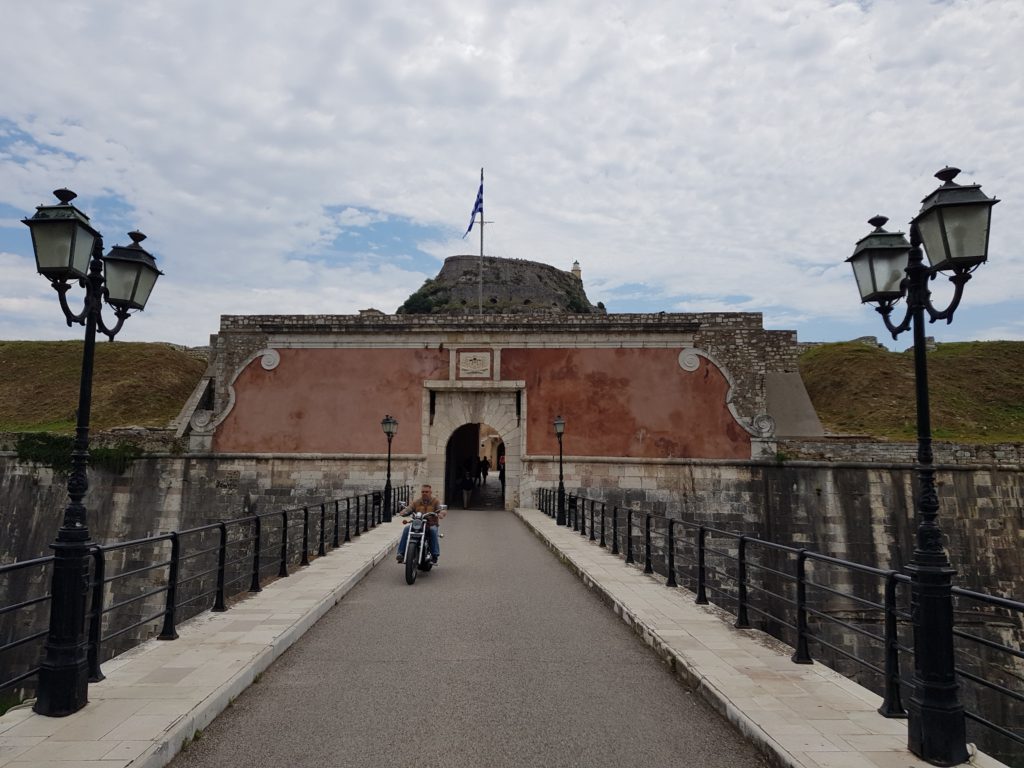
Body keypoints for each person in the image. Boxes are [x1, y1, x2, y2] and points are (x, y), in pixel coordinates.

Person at [396, 484, 445, 565]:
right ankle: (400, 553)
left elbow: (441, 509)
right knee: (406, 529)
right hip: (418, 524)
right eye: (423, 492)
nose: (424, 493)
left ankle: (434, 555)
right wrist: (404, 512)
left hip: (431, 524)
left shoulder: (435, 501)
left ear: (430, 492)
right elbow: (409, 508)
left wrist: (441, 514)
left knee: (433, 531)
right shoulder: (417, 502)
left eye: (426, 492)